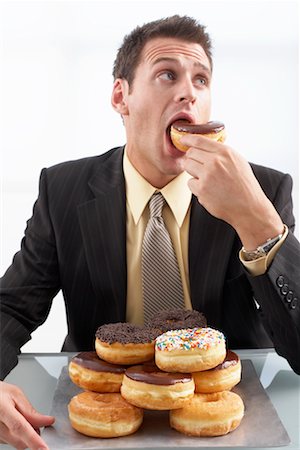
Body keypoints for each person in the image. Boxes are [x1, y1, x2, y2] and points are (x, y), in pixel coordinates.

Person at [0, 14, 299, 449]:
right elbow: (12, 308)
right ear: (121, 96)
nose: (188, 92)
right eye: (167, 74)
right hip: (98, 413)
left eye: (201, 80)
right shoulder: (62, 190)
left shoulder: (262, 191)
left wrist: (256, 219)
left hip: (229, 418)